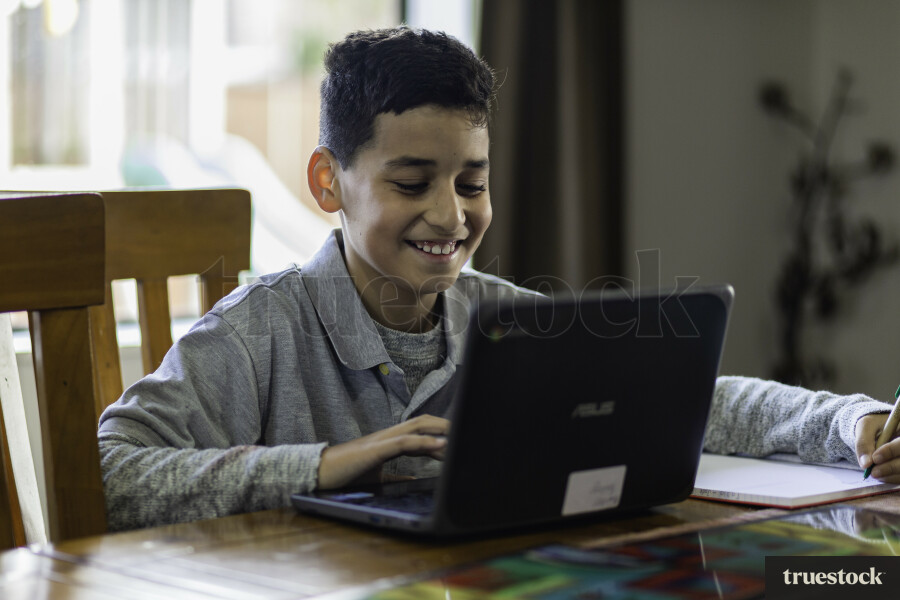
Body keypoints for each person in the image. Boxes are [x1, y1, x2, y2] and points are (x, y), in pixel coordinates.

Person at [98, 27, 900, 532]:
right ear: (327, 183)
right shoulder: (258, 332)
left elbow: (700, 401)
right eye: (412, 184)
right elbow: (108, 473)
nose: (450, 217)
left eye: (472, 183)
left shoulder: (510, 320)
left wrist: (849, 424)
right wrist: (324, 464)